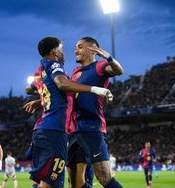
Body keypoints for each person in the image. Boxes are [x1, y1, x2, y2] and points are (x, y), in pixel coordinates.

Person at [28, 36, 113, 188]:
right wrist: (96, 89)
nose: (65, 53)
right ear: (55, 51)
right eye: (61, 49)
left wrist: (39, 100)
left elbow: (32, 89)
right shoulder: (54, 65)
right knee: (52, 183)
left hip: (43, 130)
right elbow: (62, 84)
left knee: (53, 182)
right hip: (55, 131)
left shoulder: (41, 69)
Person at [66, 36, 123, 188]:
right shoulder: (76, 71)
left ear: (92, 49)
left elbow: (118, 70)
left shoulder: (99, 66)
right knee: (76, 183)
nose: (75, 50)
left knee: (104, 178)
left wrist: (109, 57)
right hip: (74, 130)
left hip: (91, 128)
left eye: (79, 46)